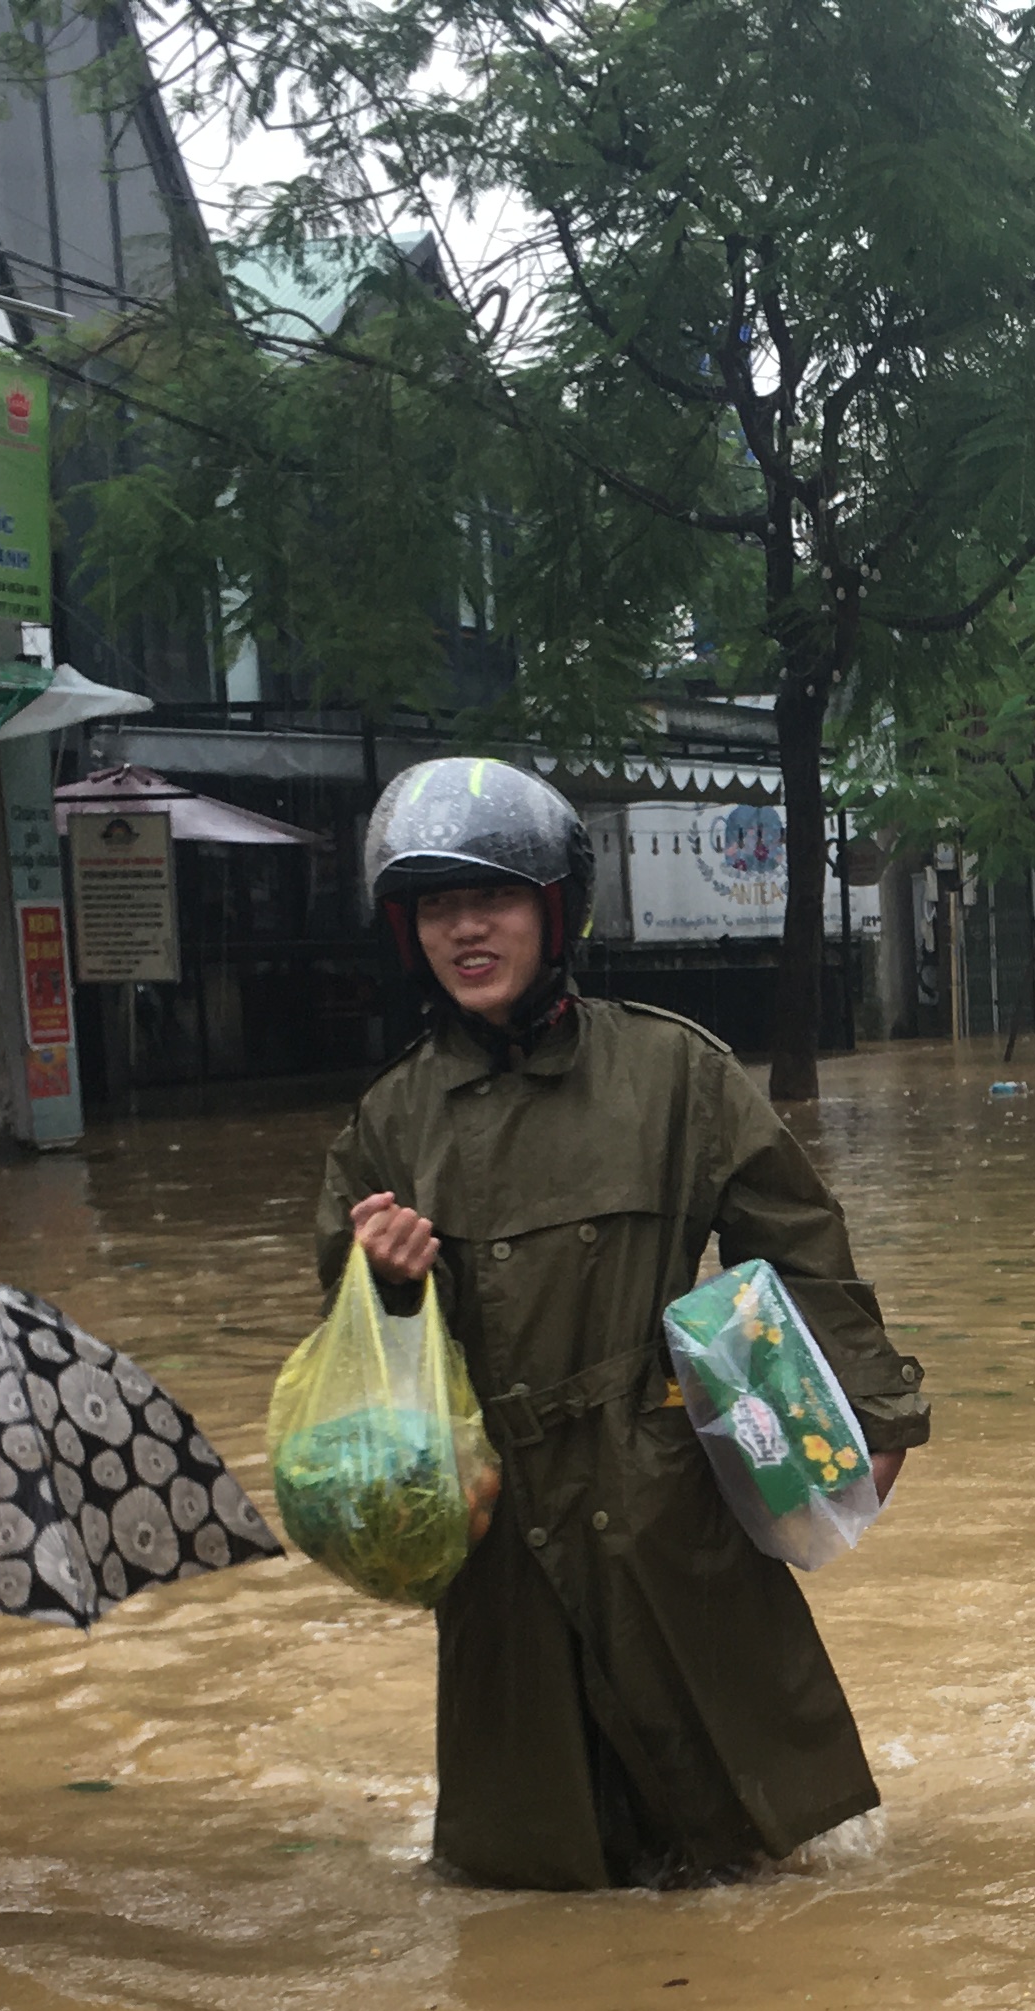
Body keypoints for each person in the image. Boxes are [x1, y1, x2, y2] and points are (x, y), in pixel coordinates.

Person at [312, 757, 930, 1890]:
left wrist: (878, 1418)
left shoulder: (671, 1070)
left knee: (744, 1851)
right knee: (530, 1880)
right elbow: (353, 1345)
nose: (465, 930)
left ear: (556, 912)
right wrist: (386, 1283)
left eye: (492, 899)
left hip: (661, 1499)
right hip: (501, 1540)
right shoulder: (390, 1118)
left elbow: (797, 1243)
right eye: (438, 908)